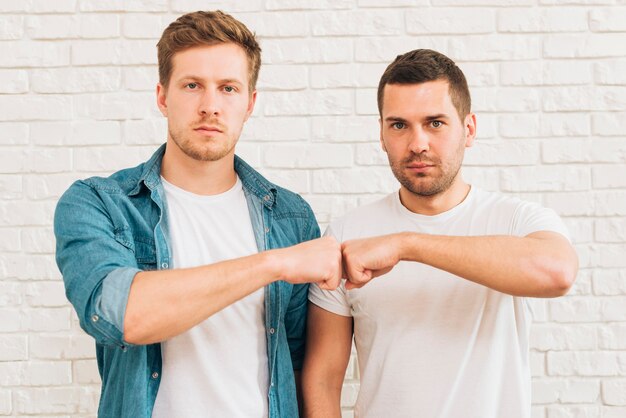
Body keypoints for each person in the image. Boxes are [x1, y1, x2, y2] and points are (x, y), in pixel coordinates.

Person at [54, 10, 342, 418]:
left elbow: (297, 364)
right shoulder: (99, 203)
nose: (211, 106)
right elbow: (122, 316)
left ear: (250, 103)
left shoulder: (290, 218)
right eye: (192, 86)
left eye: (228, 88)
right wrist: (275, 264)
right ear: (162, 96)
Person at [302, 49, 579, 418]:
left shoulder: (517, 220)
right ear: (382, 134)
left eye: (435, 123)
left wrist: (406, 244)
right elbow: (322, 379)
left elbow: (557, 273)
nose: (418, 144)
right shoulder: (348, 233)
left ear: (469, 130)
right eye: (399, 125)